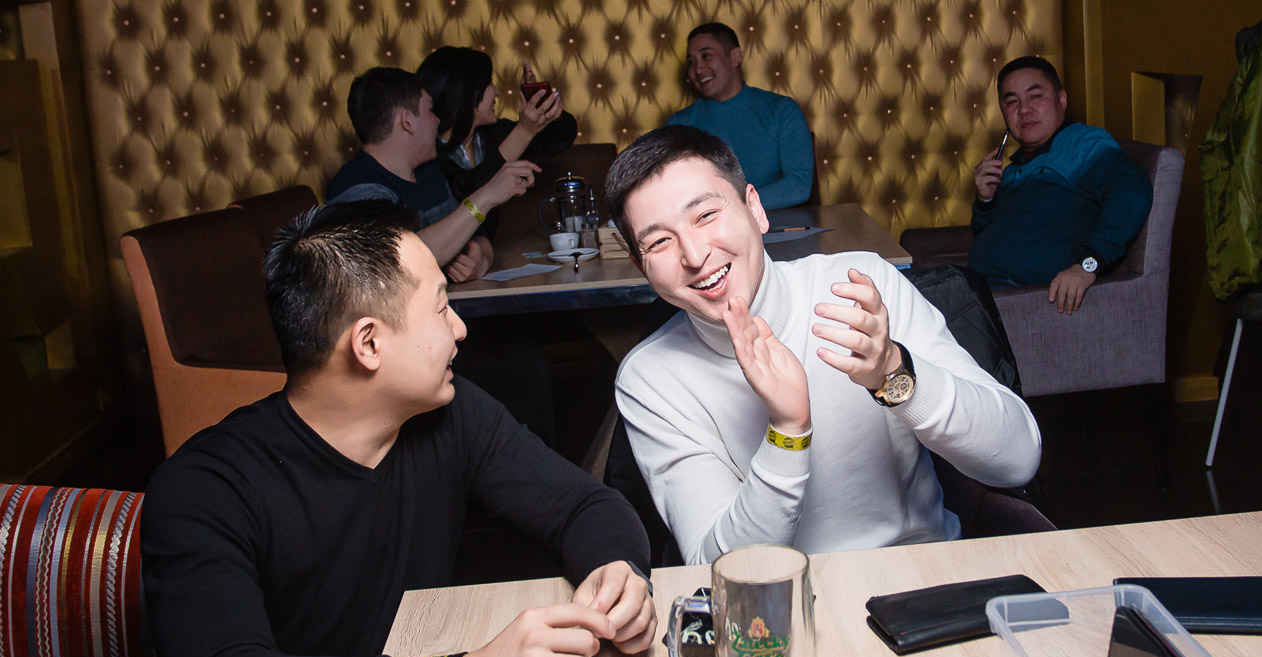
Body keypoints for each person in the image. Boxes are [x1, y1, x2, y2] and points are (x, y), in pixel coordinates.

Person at [138, 201, 655, 657]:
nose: (460, 328)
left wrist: (618, 570)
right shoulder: (207, 486)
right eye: (441, 307)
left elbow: (583, 506)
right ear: (369, 343)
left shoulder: (449, 416)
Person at [606, 126, 1041, 565]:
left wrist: (893, 373)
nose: (694, 255)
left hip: (918, 575)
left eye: (705, 215)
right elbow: (722, 568)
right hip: (777, 600)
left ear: (755, 209)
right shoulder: (650, 378)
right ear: (641, 267)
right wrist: (787, 432)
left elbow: (1018, 459)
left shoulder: (859, 289)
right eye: (659, 241)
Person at [968, 56, 1153, 315]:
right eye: (1012, 102)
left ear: (1062, 100)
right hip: (979, 287)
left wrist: (1088, 265)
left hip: (1020, 296)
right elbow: (986, 234)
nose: (1024, 109)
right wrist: (985, 199)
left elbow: (1133, 191)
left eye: (1035, 96)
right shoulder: (1013, 168)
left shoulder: (1082, 144)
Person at [325, 67, 536, 282]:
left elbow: (473, 235)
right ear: (407, 121)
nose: (437, 121)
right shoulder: (357, 187)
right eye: (430, 110)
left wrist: (481, 258)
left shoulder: (429, 171)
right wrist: (485, 196)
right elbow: (394, 265)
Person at [666, 22, 814, 211]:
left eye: (706, 56)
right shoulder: (679, 124)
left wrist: (732, 207)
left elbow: (799, 186)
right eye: (691, 62)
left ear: (735, 57)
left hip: (777, 225)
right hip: (712, 227)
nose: (698, 70)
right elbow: (674, 194)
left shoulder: (781, 110)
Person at [418, 47, 577, 219]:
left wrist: (544, 107)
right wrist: (524, 131)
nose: (497, 92)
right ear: (467, 92)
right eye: (489, 83)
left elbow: (559, 139)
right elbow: (468, 194)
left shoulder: (492, 133)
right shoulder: (425, 151)